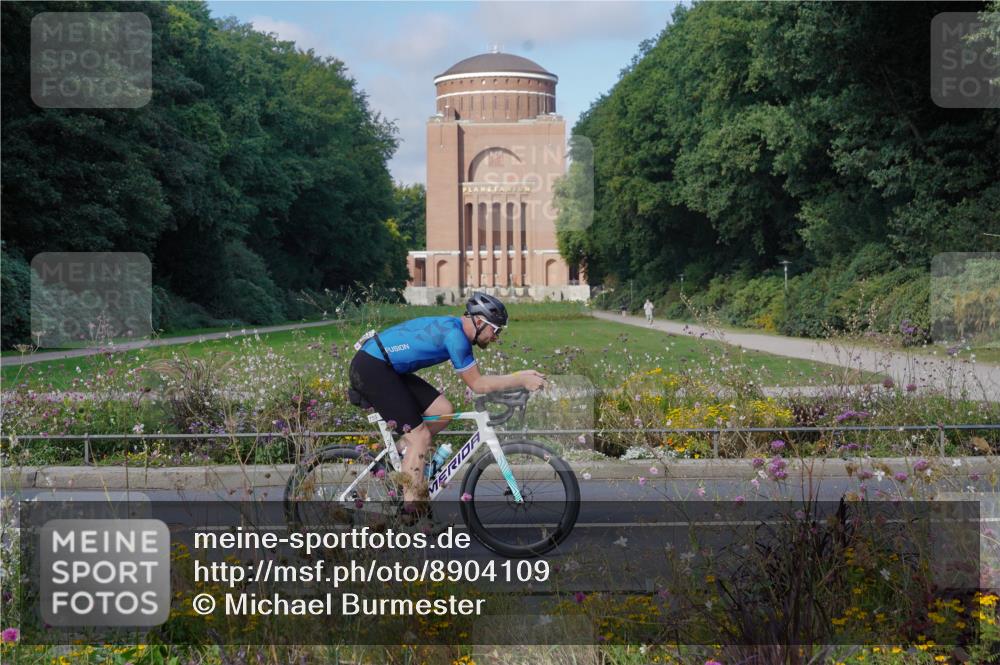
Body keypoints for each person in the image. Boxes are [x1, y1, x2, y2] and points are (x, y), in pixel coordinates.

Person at [348, 292, 547, 514]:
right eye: (496, 330)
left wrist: (521, 375)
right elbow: (478, 384)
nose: (496, 337)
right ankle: (410, 513)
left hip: (386, 366)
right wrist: (520, 379)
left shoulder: (456, 329)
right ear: (479, 322)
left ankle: (404, 458)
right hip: (372, 368)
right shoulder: (456, 337)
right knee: (420, 437)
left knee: (443, 410)